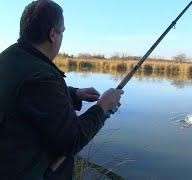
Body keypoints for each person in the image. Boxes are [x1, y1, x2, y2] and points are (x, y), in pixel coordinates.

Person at [0, 0, 123, 179]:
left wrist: (74, 94)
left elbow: (31, 98)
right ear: (52, 34)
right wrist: (103, 106)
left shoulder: (9, 58)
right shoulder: (40, 76)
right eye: (62, 31)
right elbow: (72, 139)